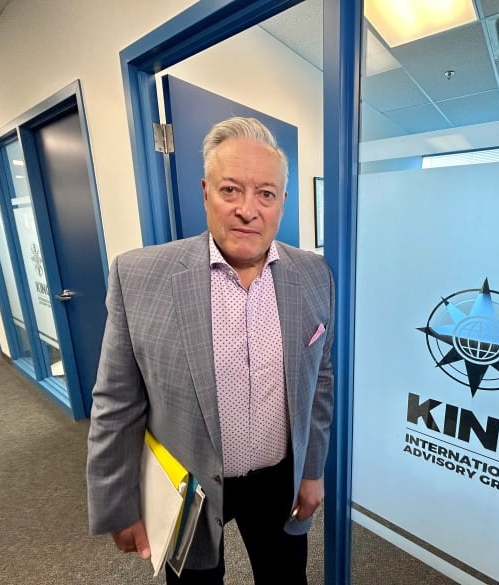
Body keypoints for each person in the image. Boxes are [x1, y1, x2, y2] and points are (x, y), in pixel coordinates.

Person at [86, 117, 334, 585]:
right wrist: (117, 503)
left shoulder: (315, 275)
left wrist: (313, 471)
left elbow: (320, 381)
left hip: (278, 479)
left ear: (283, 200)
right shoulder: (138, 277)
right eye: (230, 190)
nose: (248, 210)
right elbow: (116, 402)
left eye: (265, 193)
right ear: (205, 192)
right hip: (189, 484)